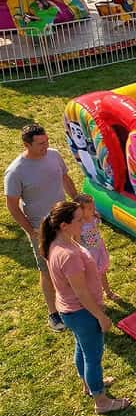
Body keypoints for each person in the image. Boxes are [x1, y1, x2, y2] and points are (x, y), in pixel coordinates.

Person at [43, 201, 131, 413]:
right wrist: (101, 316)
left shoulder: (56, 242)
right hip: (82, 312)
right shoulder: (69, 255)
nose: (84, 223)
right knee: (93, 357)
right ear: (64, 225)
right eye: (79, 220)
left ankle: (88, 385)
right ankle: (101, 401)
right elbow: (82, 294)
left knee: (81, 348)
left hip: (69, 311)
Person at [4, 124, 78, 331]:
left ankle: (74, 303)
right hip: (40, 229)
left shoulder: (54, 156)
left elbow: (65, 178)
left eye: (46, 141)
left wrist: (75, 200)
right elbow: (12, 206)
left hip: (65, 222)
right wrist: (31, 230)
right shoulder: (16, 172)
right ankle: (53, 314)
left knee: (71, 265)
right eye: (40, 144)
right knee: (47, 272)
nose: (45, 146)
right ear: (26, 145)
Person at [74, 193, 120, 303]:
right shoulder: (78, 224)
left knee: (102, 271)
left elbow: (96, 228)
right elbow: (76, 241)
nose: (93, 209)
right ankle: (93, 298)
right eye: (89, 208)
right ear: (80, 211)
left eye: (93, 207)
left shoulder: (93, 217)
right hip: (89, 254)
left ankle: (108, 291)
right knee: (91, 278)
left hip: (98, 249)